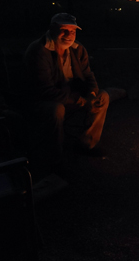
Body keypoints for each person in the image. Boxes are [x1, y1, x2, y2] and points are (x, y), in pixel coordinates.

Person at [24, 13, 110, 177]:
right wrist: (82, 102)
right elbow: (45, 90)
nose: (69, 35)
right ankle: (55, 159)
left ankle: (87, 144)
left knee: (103, 96)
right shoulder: (39, 51)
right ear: (52, 30)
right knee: (56, 109)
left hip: (70, 96)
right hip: (42, 100)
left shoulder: (78, 50)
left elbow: (88, 76)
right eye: (64, 30)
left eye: (73, 31)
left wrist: (91, 95)